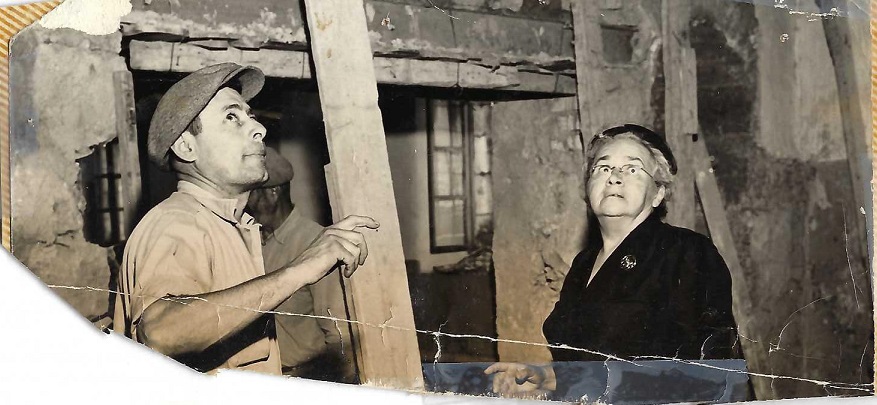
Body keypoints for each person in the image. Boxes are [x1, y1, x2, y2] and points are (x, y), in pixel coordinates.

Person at [113, 63, 379, 375]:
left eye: (250, 116)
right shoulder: (177, 222)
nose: (259, 129)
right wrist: (299, 270)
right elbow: (160, 332)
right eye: (231, 117)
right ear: (186, 147)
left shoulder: (229, 225)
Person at [485, 124, 738, 398]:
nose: (614, 178)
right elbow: (586, 364)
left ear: (658, 193)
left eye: (632, 169)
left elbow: (711, 375)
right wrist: (545, 377)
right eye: (603, 168)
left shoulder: (688, 252)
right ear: (588, 188)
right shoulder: (583, 264)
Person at [245, 148, 355, 382]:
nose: (245, 204)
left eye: (249, 195)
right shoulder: (253, 242)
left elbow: (340, 336)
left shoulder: (316, 244)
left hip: (306, 380)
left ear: (272, 192)